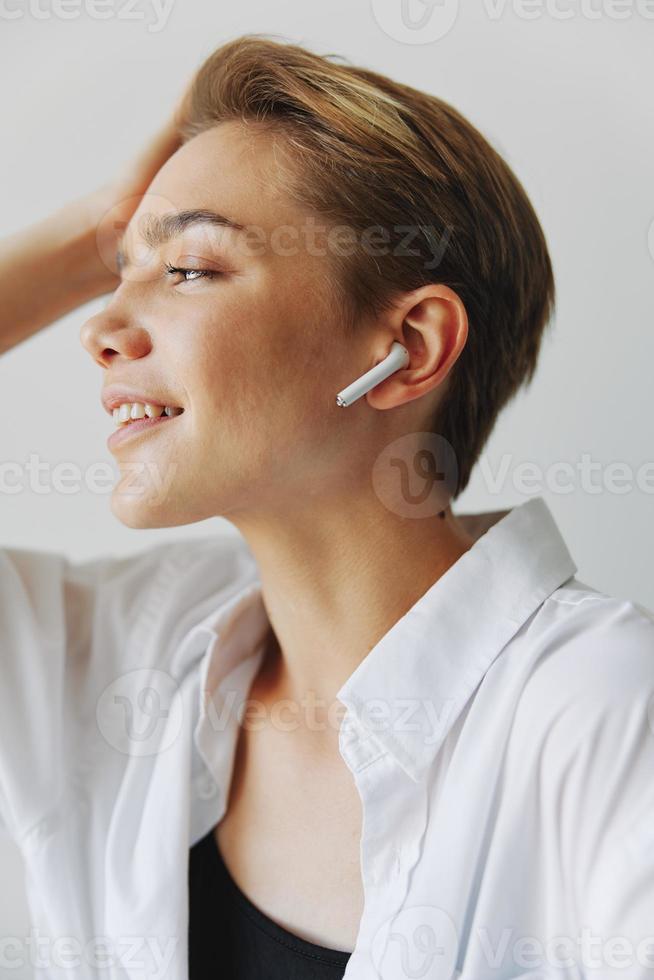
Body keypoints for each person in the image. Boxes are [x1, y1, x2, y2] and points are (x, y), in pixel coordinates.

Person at [1, 34, 652, 980]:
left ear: (408, 348)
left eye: (188, 270)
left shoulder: (608, 717)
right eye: (115, 275)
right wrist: (92, 237)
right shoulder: (113, 663)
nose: (99, 328)